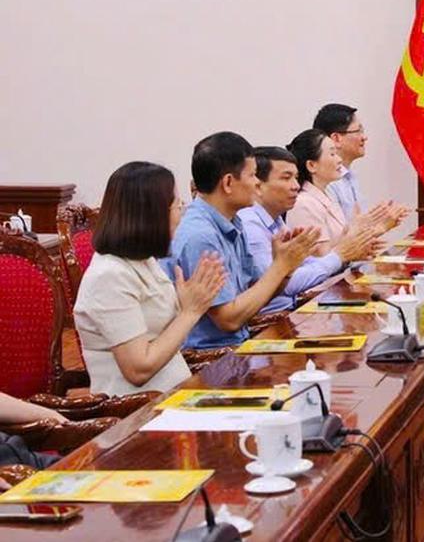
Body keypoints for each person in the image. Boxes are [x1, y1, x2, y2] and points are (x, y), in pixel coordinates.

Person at [73, 162, 227, 394]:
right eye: (178, 206)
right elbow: (139, 369)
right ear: (154, 215)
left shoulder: (143, 260)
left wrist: (183, 303)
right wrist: (190, 311)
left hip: (175, 394)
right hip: (138, 408)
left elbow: (161, 333)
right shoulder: (109, 276)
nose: (181, 215)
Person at [173, 132, 318, 350]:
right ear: (228, 183)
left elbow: (257, 292)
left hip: (241, 343)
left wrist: (287, 267)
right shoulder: (201, 235)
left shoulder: (233, 221)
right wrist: (280, 267)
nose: (257, 184)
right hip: (211, 356)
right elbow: (228, 320)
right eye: (252, 176)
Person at [238, 147, 384, 314]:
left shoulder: (276, 219)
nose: (295, 186)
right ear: (258, 186)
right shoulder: (250, 224)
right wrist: (340, 255)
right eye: (286, 178)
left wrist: (346, 255)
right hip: (267, 319)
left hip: (290, 309)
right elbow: (285, 285)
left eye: (296, 178)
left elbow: (305, 264)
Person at [314, 103, 409, 229]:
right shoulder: (327, 181)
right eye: (358, 131)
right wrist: (381, 226)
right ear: (336, 138)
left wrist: (381, 221)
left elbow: (358, 227)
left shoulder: (349, 176)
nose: (364, 137)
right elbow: (343, 235)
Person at [286, 128, 353, 257]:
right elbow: (322, 258)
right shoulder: (303, 204)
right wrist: (354, 238)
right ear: (311, 165)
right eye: (332, 154)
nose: (339, 159)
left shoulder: (328, 195)